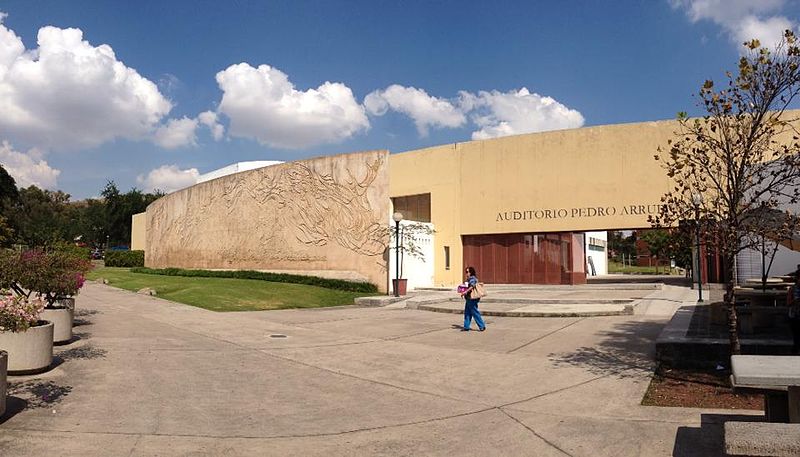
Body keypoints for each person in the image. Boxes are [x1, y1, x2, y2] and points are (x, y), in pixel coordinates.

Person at [459, 266, 486, 332]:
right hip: (468, 298)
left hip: (472, 298)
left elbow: (472, 286)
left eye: (468, 272)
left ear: (471, 272)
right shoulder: (468, 279)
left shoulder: (472, 278)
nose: (467, 273)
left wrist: (465, 292)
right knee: (467, 312)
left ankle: (482, 326)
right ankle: (466, 326)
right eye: (466, 272)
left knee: (474, 312)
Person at [788, 275, 800, 354]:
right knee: (796, 334)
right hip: (795, 315)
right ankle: (796, 350)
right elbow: (788, 303)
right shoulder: (792, 289)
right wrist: (794, 301)